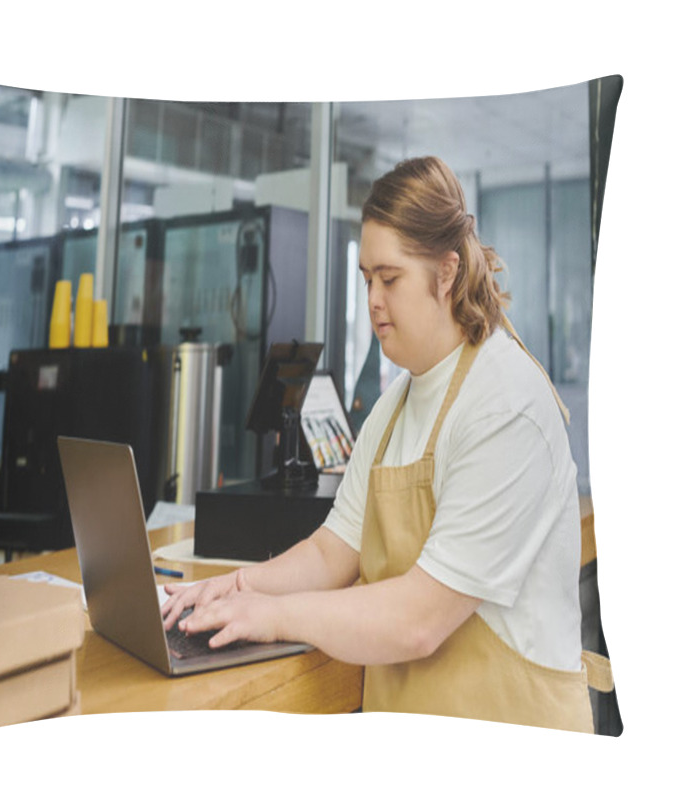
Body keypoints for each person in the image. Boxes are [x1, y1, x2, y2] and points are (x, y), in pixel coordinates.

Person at [161, 155, 611, 732]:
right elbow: (332, 552)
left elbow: (418, 620)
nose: (373, 299)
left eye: (390, 279)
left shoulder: (504, 406)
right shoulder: (395, 405)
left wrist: (270, 616)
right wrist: (235, 587)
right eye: (367, 278)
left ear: (446, 272)